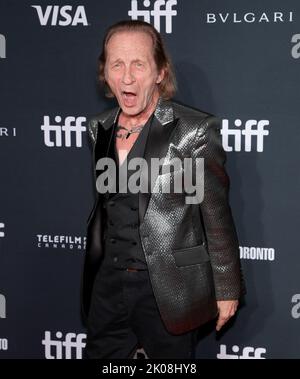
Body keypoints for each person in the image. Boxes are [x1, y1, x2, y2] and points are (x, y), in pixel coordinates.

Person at [81, 19, 245, 359]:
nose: (127, 77)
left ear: (160, 72)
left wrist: (227, 288)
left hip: (169, 288)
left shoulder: (194, 130)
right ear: (105, 74)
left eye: (138, 64)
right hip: (109, 286)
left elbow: (215, 214)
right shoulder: (101, 128)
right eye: (117, 65)